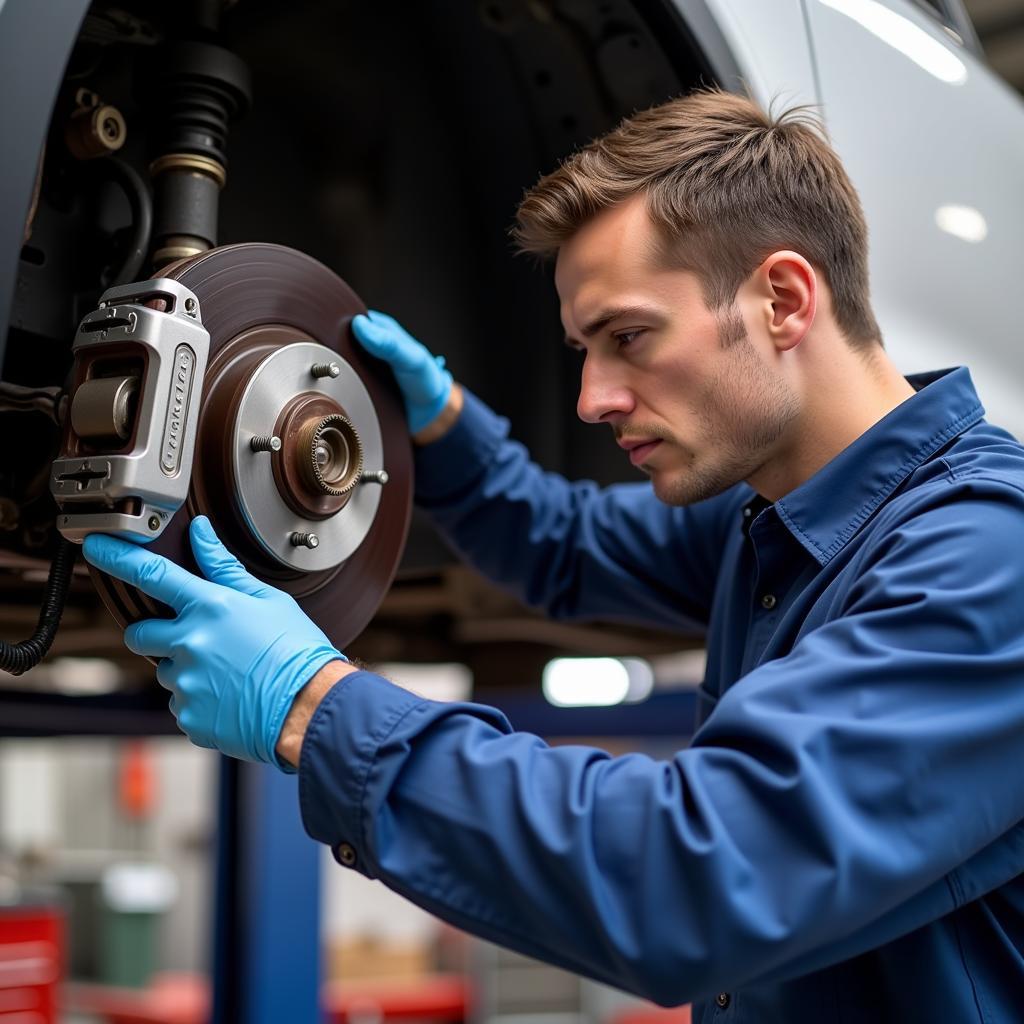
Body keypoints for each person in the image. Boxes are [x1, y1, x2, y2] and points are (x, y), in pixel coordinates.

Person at [82, 90, 1024, 1021]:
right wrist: (445, 432)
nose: (591, 398)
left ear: (782, 299)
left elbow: (690, 879)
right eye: (582, 350)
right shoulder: (779, 511)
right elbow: (570, 546)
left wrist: (315, 708)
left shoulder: (987, 559)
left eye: (627, 337)